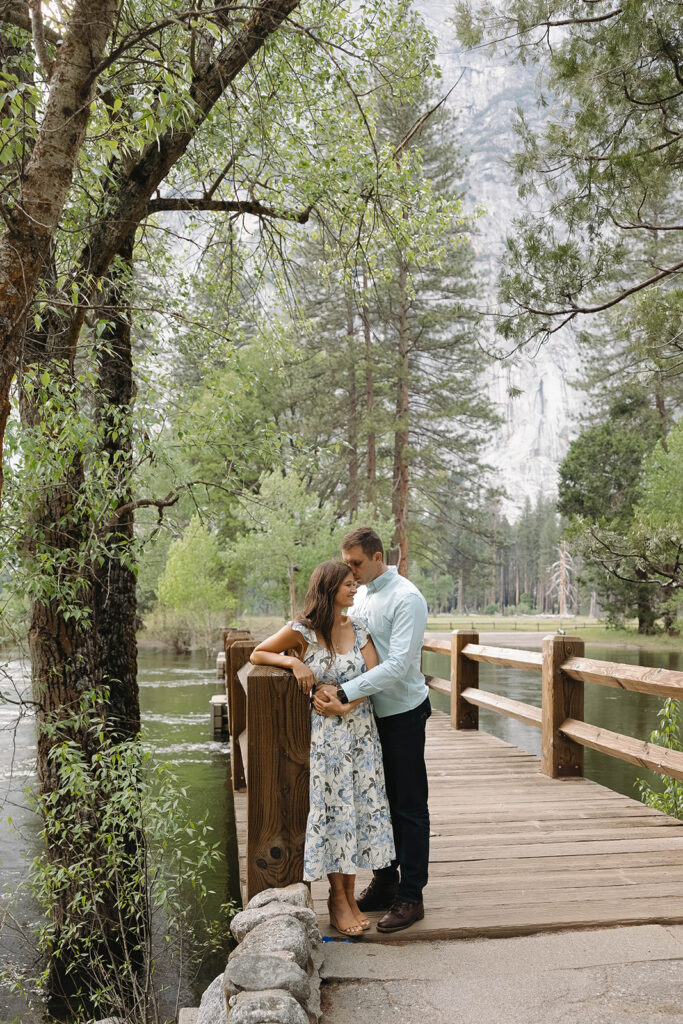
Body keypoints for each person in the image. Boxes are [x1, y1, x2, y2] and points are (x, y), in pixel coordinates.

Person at [250, 560, 395, 937]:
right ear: (329, 588)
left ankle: (348, 895)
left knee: (357, 813)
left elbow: (373, 677)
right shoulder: (302, 631)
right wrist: (292, 664)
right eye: (348, 584)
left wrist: (347, 704)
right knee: (336, 815)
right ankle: (337, 898)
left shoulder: (358, 627)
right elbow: (258, 654)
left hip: (361, 734)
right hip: (327, 740)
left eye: (355, 583)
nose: (354, 589)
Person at [313, 526, 430, 933]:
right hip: (364, 718)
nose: (351, 572)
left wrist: (344, 690)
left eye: (356, 563)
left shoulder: (407, 599)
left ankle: (411, 896)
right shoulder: (361, 594)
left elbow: (398, 665)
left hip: (401, 712)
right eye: (347, 564)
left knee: (408, 805)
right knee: (375, 801)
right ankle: (384, 881)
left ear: (378, 556)